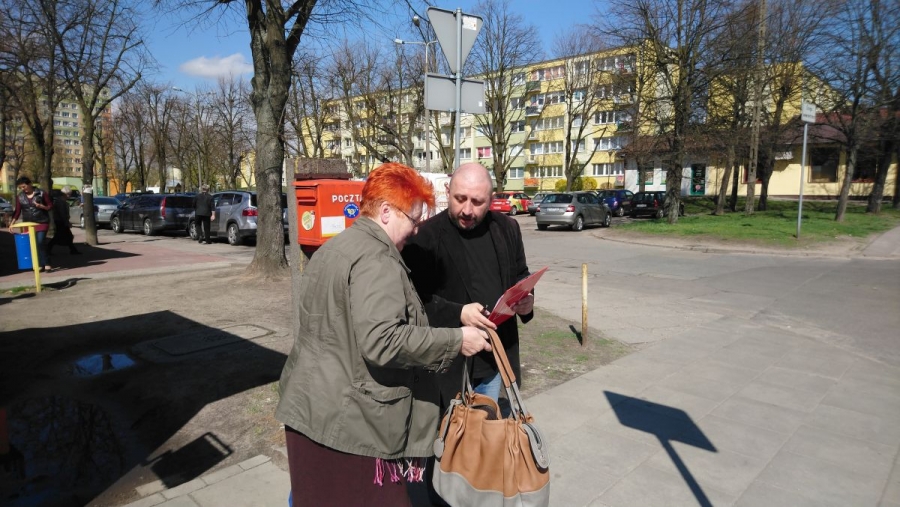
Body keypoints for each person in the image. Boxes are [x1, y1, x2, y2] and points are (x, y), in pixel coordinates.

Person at [274, 162, 493, 507]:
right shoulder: (377, 259)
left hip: (313, 409)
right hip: (354, 426)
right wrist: (457, 340)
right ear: (387, 212)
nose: (417, 230)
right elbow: (383, 340)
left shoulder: (335, 247)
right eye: (414, 219)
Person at [403, 162, 534, 414]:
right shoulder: (424, 237)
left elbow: (520, 274)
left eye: (477, 202)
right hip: (447, 367)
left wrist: (527, 300)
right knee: (448, 434)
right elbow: (414, 301)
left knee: (483, 433)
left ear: (491, 200)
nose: (467, 210)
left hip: (493, 361)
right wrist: (458, 313)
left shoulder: (508, 228)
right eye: (460, 199)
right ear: (447, 191)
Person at [8, 176, 53, 272]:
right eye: (20, 187)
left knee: (40, 242)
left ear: (30, 184)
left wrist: (42, 206)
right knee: (33, 244)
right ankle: (39, 264)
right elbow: (17, 211)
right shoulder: (20, 196)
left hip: (41, 221)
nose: (23, 189)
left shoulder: (41, 193)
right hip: (28, 224)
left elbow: (50, 206)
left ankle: (47, 263)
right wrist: (12, 224)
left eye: (24, 186)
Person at [47, 187, 81, 258]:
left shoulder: (61, 201)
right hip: (61, 221)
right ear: (65, 194)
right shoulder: (61, 202)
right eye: (69, 194)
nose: (69, 196)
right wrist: (67, 222)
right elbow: (62, 213)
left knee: (67, 236)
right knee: (61, 236)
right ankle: (48, 248)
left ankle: (72, 249)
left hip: (60, 221)